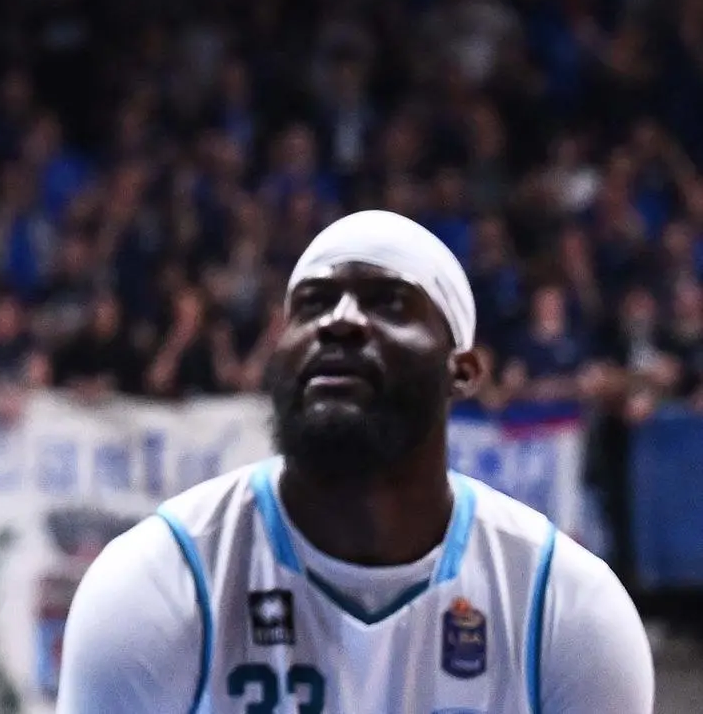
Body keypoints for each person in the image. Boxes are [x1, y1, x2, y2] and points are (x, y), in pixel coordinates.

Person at [59, 211, 650, 714]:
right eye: (311, 306)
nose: (339, 320)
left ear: (463, 371)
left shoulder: (566, 605)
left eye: (390, 303)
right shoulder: (158, 578)